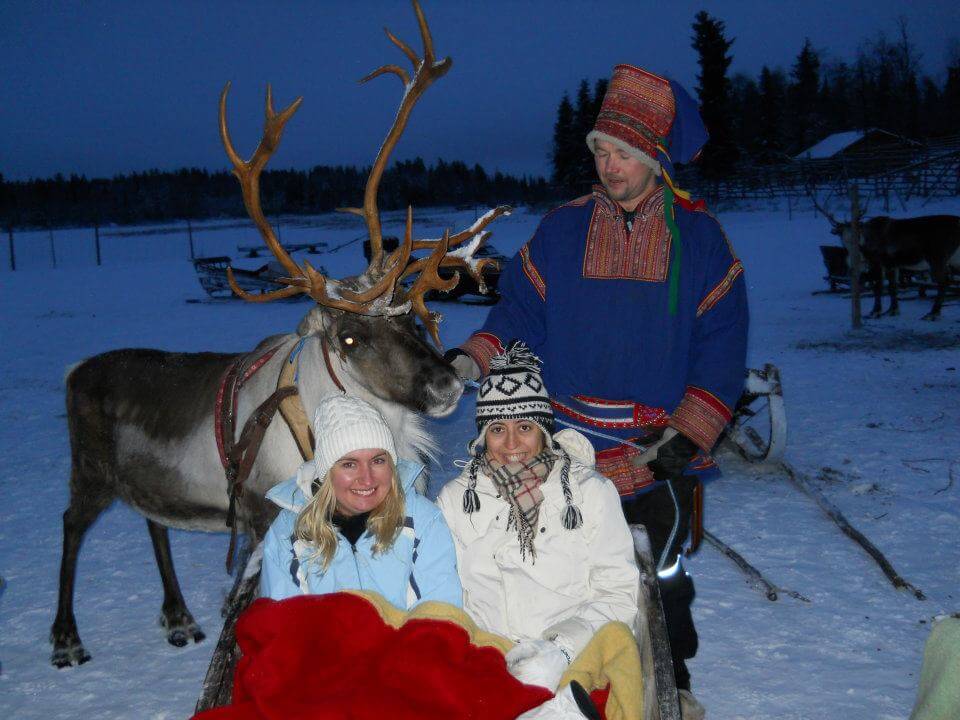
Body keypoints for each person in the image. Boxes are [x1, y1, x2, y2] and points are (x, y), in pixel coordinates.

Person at [446, 64, 749, 696]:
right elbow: (518, 315)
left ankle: (673, 677)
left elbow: (722, 348)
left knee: (662, 569)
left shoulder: (700, 240)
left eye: (626, 154)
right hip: (563, 447)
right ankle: (565, 676)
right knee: (563, 567)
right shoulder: (562, 230)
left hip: (655, 448)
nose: (610, 166)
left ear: (657, 158)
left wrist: (688, 435)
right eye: (602, 151)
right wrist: (473, 359)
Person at [437, 341, 640, 705]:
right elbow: (446, 593)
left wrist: (559, 648)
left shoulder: (590, 493)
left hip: (576, 656)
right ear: (483, 436)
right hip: (484, 660)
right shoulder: (456, 499)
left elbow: (619, 592)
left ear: (544, 431)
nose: (512, 443)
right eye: (497, 429)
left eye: (525, 427)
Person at [260, 394, 462, 610]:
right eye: (349, 464)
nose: (367, 479)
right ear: (326, 472)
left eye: (378, 461)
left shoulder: (422, 521)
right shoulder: (289, 533)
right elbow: (283, 628)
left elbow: (439, 617)